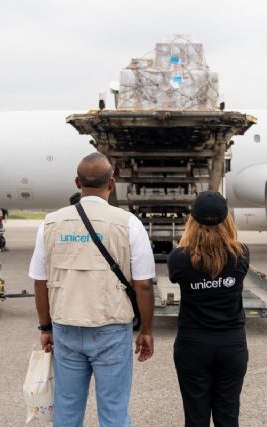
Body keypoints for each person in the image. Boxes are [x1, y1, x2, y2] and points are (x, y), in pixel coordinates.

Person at [28, 152, 156, 427]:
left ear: (77, 182)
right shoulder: (128, 223)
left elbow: (40, 281)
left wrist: (45, 328)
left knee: (67, 409)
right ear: (112, 183)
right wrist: (146, 330)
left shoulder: (50, 223)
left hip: (66, 327)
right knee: (113, 411)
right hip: (111, 327)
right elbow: (144, 284)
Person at [168, 191, 250, 427]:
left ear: (192, 221)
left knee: (195, 417)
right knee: (228, 415)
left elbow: (177, 274)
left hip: (193, 343)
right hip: (231, 343)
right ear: (228, 220)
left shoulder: (179, 258)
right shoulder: (241, 254)